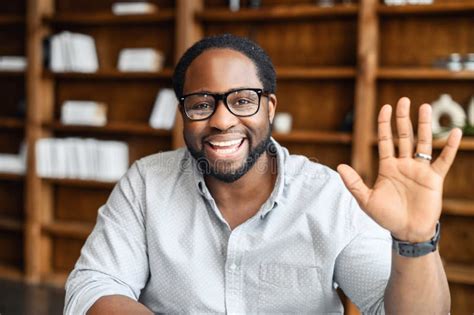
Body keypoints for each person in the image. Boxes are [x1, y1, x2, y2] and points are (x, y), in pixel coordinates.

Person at [64, 34, 461, 314]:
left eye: (242, 101)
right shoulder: (146, 183)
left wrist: (415, 242)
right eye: (201, 104)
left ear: (269, 107)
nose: (221, 120)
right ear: (183, 114)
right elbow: (94, 286)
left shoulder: (329, 196)